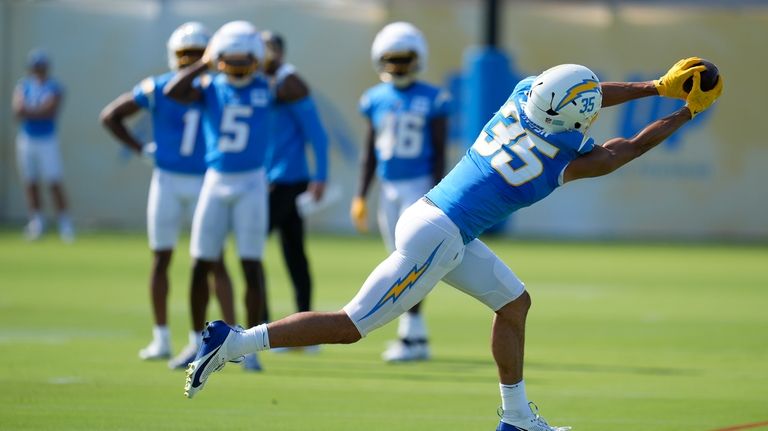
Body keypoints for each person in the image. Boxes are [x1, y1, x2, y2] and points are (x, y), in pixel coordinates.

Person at [182, 58, 723, 431]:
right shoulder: (557, 163)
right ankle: (234, 342)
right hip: (439, 238)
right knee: (351, 326)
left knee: (514, 303)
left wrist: (656, 86)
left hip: (432, 217)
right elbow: (622, 148)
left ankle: (514, 417)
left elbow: (585, 97)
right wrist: (684, 110)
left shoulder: (520, 97)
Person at [100, 22, 235, 366]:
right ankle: (161, 337)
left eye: (195, 54)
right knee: (162, 257)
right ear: (173, 56)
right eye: (184, 54)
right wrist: (141, 148)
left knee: (213, 260)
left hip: (206, 181)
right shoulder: (160, 87)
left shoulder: (217, 88)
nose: (189, 61)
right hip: (168, 180)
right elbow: (111, 116)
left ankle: (233, 337)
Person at [164, 20, 273, 371]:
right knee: (200, 262)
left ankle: (250, 346)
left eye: (246, 60)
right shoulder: (209, 86)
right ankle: (197, 342)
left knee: (250, 263)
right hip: (216, 179)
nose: (239, 68)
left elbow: (300, 88)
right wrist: (204, 62)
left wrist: (269, 57)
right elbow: (172, 92)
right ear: (219, 59)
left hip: (252, 181)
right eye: (231, 60)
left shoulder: (268, 87)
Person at [350, 22, 448, 362]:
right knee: (396, 258)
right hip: (389, 188)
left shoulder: (433, 98)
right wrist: (361, 195)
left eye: (404, 59)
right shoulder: (375, 98)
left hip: (419, 186)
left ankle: (413, 335)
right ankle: (413, 334)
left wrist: (437, 193)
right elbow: (369, 152)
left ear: (417, 59)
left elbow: (439, 152)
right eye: (392, 59)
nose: (398, 66)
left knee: (411, 260)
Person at [261, 31, 328, 336]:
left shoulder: (291, 83)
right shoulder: (259, 82)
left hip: (286, 181)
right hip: (271, 179)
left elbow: (317, 134)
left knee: (252, 250)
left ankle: (258, 323)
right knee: (294, 252)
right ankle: (305, 327)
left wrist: (321, 175)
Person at [12, 49, 74, 242]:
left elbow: (50, 111)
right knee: (30, 182)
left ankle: (65, 223)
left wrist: (29, 111)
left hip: (47, 139)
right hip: (26, 139)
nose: (38, 70)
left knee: (54, 181)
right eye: (35, 67)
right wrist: (36, 110)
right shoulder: (23, 86)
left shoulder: (54, 87)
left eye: (41, 67)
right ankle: (37, 222)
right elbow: (17, 110)